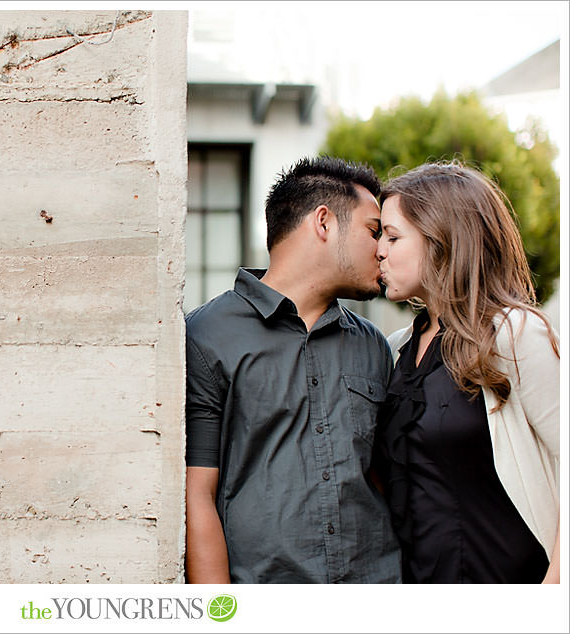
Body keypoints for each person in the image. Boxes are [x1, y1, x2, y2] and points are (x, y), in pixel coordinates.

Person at [185, 156, 401, 583]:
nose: (381, 249)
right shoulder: (206, 336)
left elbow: (382, 479)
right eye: (373, 231)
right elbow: (197, 496)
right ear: (324, 222)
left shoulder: (373, 345)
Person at [374, 160, 560, 583]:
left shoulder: (515, 336)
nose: (379, 250)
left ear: (442, 239)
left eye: (393, 236)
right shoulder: (396, 349)